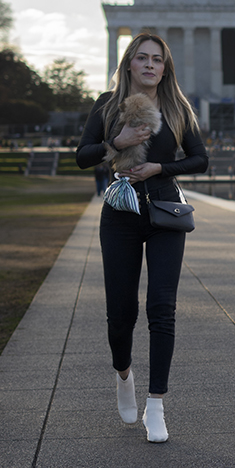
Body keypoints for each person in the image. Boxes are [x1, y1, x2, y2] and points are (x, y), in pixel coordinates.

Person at [76, 32, 208, 441]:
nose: (150, 65)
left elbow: (200, 159)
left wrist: (159, 168)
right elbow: (81, 156)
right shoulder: (107, 104)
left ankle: (156, 405)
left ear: (165, 69)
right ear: (129, 64)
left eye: (158, 59)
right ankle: (124, 375)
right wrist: (117, 143)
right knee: (121, 314)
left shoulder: (177, 107)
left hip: (165, 211)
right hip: (121, 213)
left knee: (162, 308)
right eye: (142, 57)